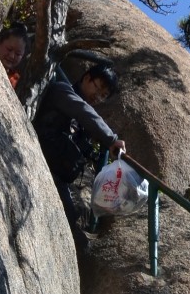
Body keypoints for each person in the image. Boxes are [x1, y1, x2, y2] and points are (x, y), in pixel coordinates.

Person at [34, 58, 124, 241]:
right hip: (39, 159)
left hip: (56, 175)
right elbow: (82, 110)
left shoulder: (81, 122)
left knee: (75, 220)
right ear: (86, 78)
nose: (98, 96)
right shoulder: (62, 90)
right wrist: (111, 139)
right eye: (97, 88)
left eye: (103, 95)